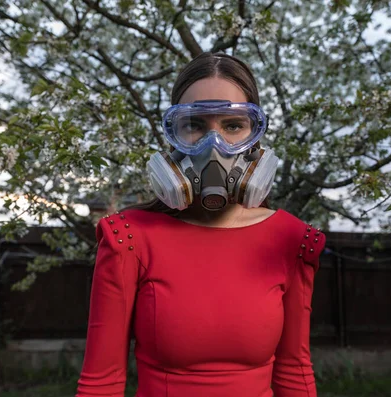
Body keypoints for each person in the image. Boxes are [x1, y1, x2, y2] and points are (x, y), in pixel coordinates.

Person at [75, 52, 327, 397]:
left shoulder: (292, 239)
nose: (215, 144)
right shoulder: (128, 239)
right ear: (172, 137)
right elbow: (100, 384)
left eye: (233, 125)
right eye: (194, 125)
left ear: (255, 137)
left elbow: (294, 374)